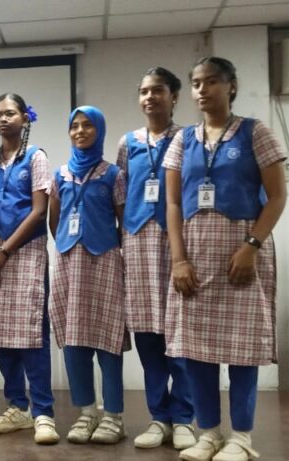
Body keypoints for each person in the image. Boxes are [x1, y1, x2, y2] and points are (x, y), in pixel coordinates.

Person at [162, 57, 287, 461]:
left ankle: (242, 438)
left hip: (241, 255)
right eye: (197, 83)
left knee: (242, 352)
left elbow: (278, 197)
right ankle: (209, 434)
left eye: (212, 81)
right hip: (194, 255)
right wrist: (178, 260)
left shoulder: (255, 132)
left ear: (231, 85)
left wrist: (251, 246)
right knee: (196, 351)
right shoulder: (183, 140)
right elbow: (172, 203)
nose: (202, 89)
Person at [0, 93, 58, 444]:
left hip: (25, 252)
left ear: (25, 118)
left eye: (11, 113)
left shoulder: (36, 157)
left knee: (30, 335)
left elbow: (39, 211)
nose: (4, 119)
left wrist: (3, 253)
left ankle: (43, 413)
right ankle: (17, 406)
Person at [118, 67, 196, 451]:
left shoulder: (188, 138)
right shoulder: (128, 142)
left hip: (176, 243)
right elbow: (120, 194)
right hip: (137, 242)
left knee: (179, 333)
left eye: (158, 90)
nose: (150, 97)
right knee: (148, 336)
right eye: (144, 91)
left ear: (174, 96)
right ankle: (158, 417)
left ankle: (184, 418)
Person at [47, 106, 127, 445]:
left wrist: (104, 244)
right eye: (75, 126)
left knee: (108, 340)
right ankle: (86, 412)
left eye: (87, 126)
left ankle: (113, 416)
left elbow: (123, 220)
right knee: (74, 341)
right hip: (68, 263)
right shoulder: (60, 175)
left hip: (104, 261)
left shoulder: (113, 174)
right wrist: (70, 244)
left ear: (100, 131)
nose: (80, 131)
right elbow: (54, 220)